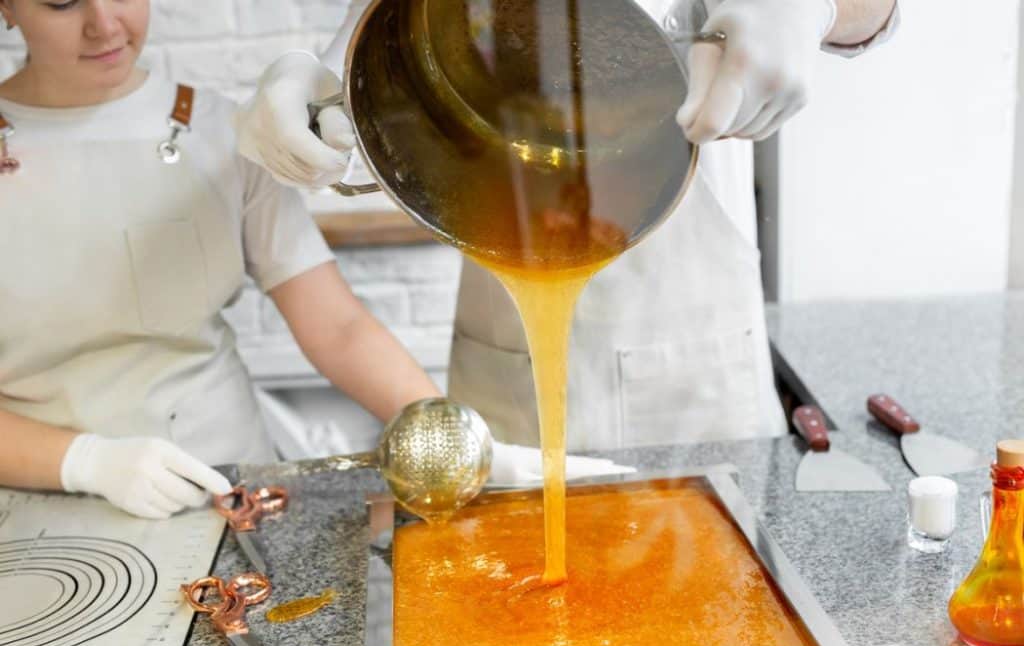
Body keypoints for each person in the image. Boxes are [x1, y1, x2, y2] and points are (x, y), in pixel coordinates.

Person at [235, 0, 899, 451]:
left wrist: (818, 5)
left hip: (691, 327)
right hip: (508, 319)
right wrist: (320, 92)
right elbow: (384, 66)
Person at [0, 0, 441, 519]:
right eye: (61, 2)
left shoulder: (223, 132)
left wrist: (443, 432)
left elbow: (339, 327)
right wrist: (85, 461)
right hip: (43, 501)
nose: (104, 25)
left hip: (231, 489)